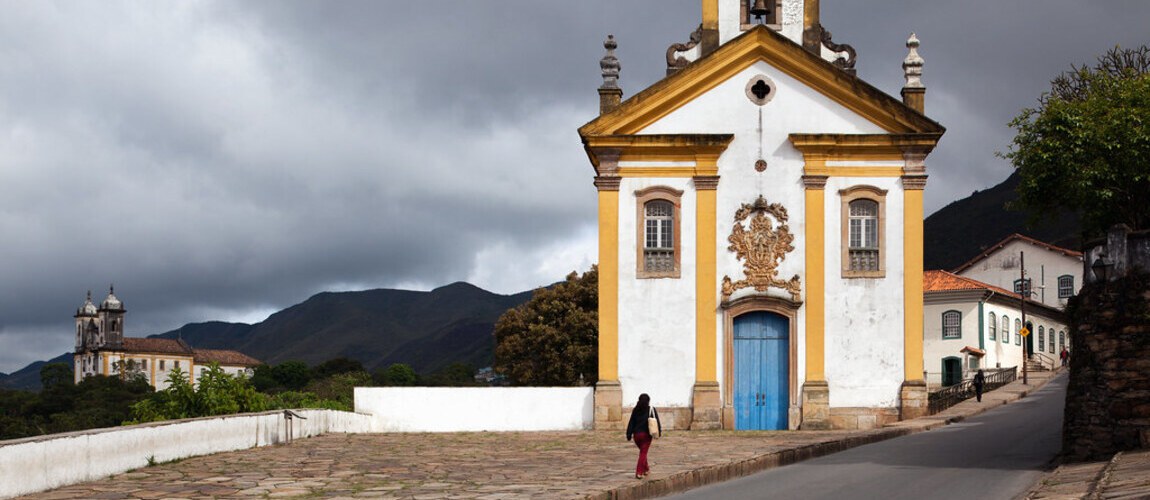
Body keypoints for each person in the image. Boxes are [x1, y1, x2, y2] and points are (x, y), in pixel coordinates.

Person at [625, 393, 661, 479]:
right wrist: (659, 432)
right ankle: (639, 472)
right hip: (646, 435)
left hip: (636, 436)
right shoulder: (651, 409)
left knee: (642, 453)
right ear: (648, 401)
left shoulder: (635, 410)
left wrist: (628, 434)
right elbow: (657, 421)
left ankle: (646, 469)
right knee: (643, 453)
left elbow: (631, 422)